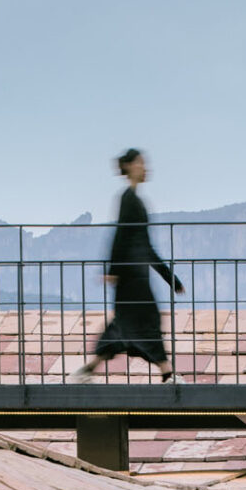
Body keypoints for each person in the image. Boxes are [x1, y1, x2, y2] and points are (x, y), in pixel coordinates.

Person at [79, 149, 183, 376]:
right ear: (130, 167)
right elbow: (121, 235)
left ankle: (90, 368)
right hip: (132, 275)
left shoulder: (134, 199)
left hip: (135, 273)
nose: (145, 168)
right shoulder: (129, 199)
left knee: (126, 323)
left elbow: (145, 246)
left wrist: (170, 279)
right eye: (141, 163)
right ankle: (167, 371)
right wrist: (114, 270)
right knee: (146, 319)